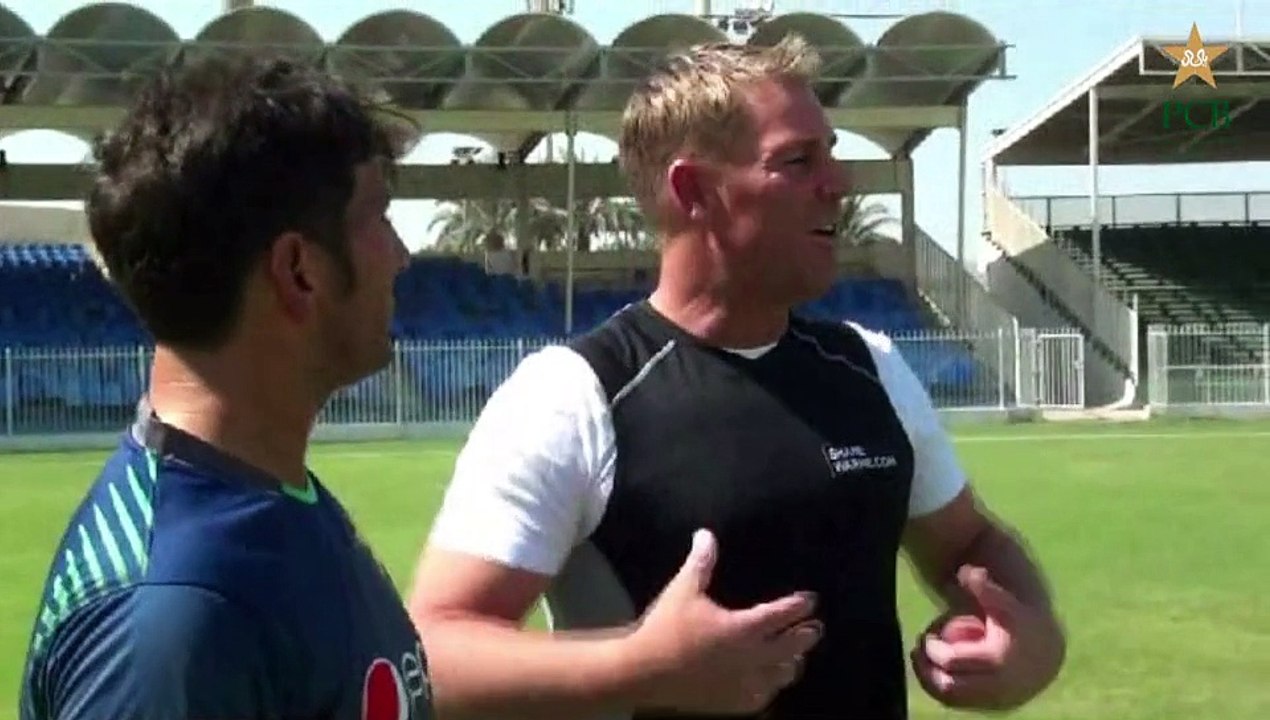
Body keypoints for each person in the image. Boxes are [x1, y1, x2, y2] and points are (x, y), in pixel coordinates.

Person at [408, 33, 1067, 720]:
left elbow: (969, 543)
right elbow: (433, 652)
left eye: (832, 153)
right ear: (695, 191)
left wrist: (1033, 635)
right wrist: (637, 668)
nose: (838, 183)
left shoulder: (871, 368)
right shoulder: (574, 396)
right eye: (797, 161)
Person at [18, 53, 431, 720]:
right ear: (299, 271)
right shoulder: (171, 616)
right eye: (379, 217)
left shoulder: (269, 497)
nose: (402, 254)